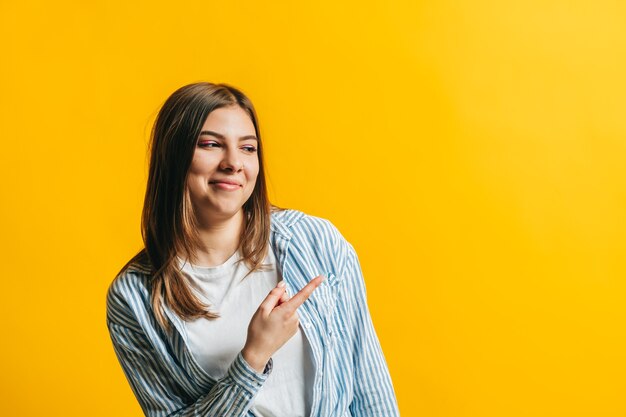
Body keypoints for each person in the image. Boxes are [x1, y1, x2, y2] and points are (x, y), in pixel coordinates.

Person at [106, 82, 400, 417]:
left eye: (248, 148)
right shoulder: (133, 297)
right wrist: (253, 358)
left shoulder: (315, 241)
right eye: (211, 144)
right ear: (173, 157)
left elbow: (370, 389)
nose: (234, 163)